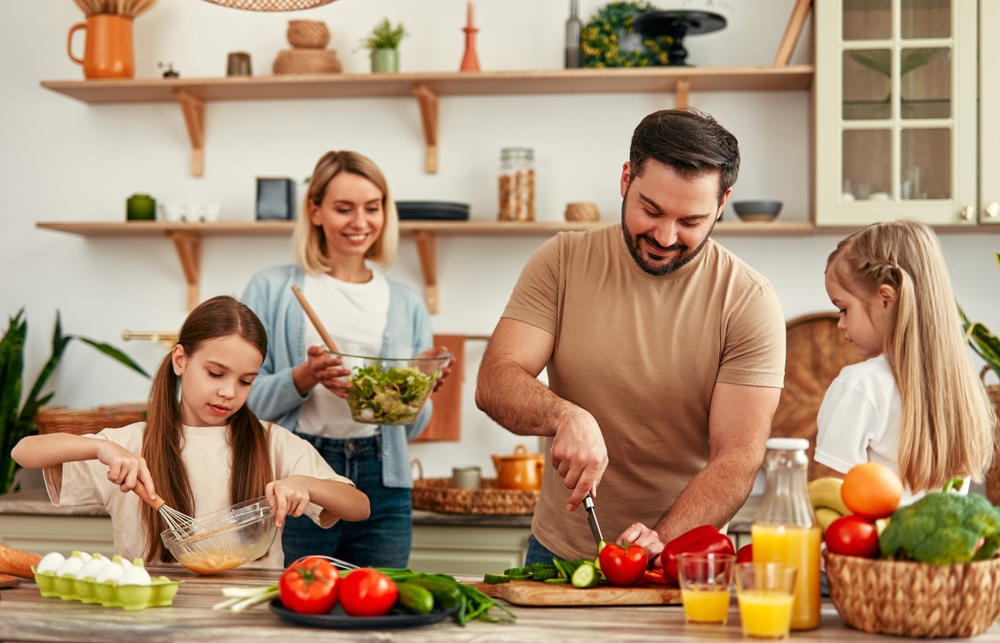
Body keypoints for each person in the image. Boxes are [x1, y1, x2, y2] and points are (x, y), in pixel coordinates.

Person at [476, 108, 787, 565]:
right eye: (651, 210)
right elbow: (496, 380)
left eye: (690, 222)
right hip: (558, 552)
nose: (665, 236)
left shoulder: (748, 301)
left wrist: (659, 541)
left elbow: (737, 457)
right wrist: (565, 415)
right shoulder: (562, 261)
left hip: (684, 556)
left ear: (722, 205)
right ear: (626, 179)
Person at [11, 296, 369, 567]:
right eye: (216, 373)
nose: (229, 392)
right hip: (150, 618)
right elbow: (23, 451)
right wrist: (98, 449)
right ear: (181, 360)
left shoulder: (271, 442)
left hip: (249, 622)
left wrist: (307, 485)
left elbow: (359, 506)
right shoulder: (132, 444)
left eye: (246, 381)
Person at [241, 150, 450, 568]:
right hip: (296, 475)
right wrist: (304, 377)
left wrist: (416, 392)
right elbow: (242, 402)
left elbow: (411, 428)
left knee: (378, 617)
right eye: (344, 208)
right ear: (315, 211)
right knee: (288, 615)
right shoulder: (272, 289)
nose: (360, 222)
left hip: (384, 480)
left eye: (372, 208)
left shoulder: (406, 303)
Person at [815, 220, 996, 502]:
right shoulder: (962, 388)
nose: (840, 323)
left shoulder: (859, 385)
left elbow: (837, 503)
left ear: (886, 299)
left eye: (843, 309)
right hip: (945, 547)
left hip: (876, 547)